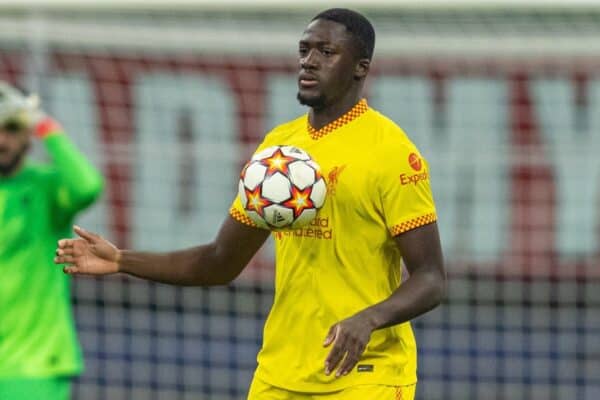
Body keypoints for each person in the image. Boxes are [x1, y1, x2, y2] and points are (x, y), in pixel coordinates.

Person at [54, 8, 445, 400]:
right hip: (280, 373)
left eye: (327, 52)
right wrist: (121, 260)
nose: (309, 61)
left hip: (367, 375)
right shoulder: (278, 151)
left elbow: (430, 279)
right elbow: (220, 260)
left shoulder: (391, 152)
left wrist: (369, 318)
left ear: (360, 67)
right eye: (304, 50)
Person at [0, 81, 104, 400]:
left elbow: (87, 186)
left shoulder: (45, 187)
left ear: (27, 134)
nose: (1, 139)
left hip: (33, 364)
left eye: (12, 128)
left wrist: (45, 124)